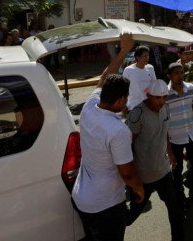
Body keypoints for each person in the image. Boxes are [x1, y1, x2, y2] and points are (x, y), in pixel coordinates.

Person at [71, 33, 145, 241]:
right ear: (121, 100)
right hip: (105, 206)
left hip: (82, 199)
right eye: (126, 98)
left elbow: (104, 77)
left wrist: (123, 51)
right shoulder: (118, 130)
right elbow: (127, 173)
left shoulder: (90, 106)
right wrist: (139, 188)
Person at [125, 79, 184, 241]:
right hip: (143, 175)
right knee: (130, 216)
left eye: (164, 97)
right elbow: (126, 144)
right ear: (148, 96)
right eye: (158, 98)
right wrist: (131, 176)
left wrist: (170, 153)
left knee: (175, 209)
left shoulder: (165, 108)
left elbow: (164, 131)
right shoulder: (138, 113)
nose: (162, 101)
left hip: (163, 171)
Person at [166, 62, 193, 206]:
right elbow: (162, 119)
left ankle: (192, 185)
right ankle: (180, 196)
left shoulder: (191, 88)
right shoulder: (165, 94)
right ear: (169, 76)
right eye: (176, 73)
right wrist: (167, 146)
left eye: (181, 72)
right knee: (177, 169)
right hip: (174, 137)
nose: (180, 75)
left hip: (191, 134)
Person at [122, 46, 156, 112]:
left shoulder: (150, 68)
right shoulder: (128, 70)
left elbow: (154, 84)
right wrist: (124, 105)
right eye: (145, 56)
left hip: (148, 105)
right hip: (133, 106)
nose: (147, 58)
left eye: (148, 56)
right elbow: (123, 88)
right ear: (138, 57)